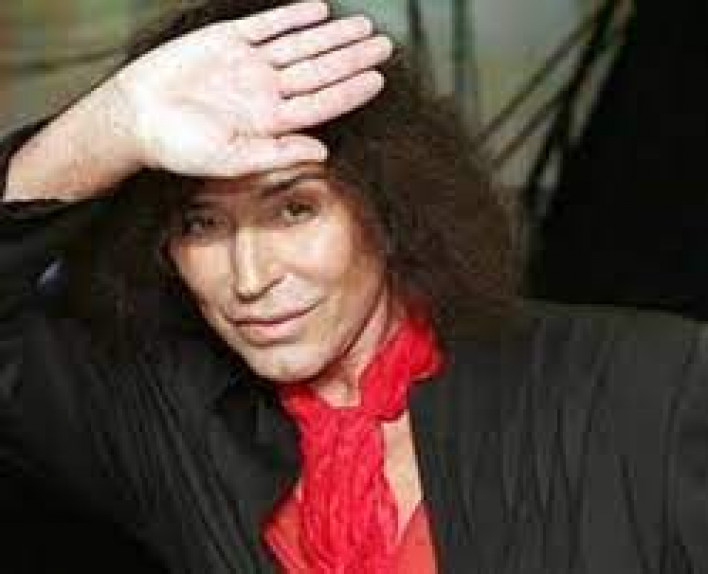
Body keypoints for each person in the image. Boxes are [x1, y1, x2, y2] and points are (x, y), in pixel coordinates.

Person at [1, 1, 707, 573]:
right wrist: (108, 128)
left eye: (295, 209)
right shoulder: (169, 423)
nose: (251, 277)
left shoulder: (648, 385)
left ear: (390, 208)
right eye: (202, 224)